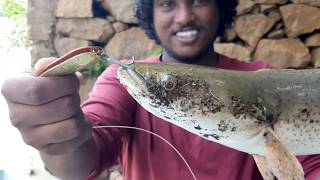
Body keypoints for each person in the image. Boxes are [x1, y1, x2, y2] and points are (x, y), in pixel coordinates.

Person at [2, 0, 320, 179]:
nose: (184, 16)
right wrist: (60, 137)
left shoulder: (262, 77)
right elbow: (83, 160)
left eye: (199, 0)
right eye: (168, 3)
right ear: (149, 15)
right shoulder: (121, 79)